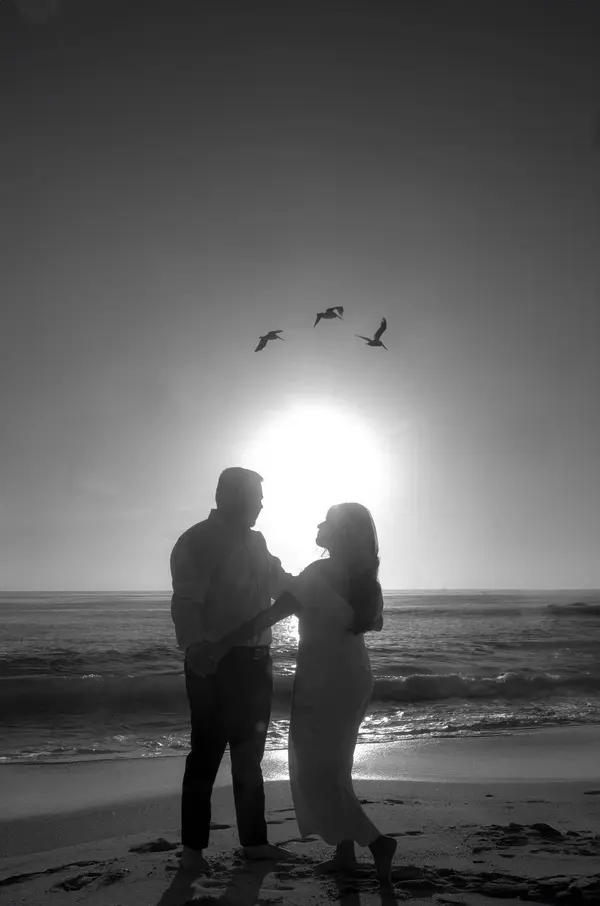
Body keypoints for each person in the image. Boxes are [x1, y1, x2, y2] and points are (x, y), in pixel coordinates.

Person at [191, 503, 398, 887]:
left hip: (323, 681)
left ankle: (376, 842)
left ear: (340, 533)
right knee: (336, 767)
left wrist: (221, 645)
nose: (319, 524)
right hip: (355, 677)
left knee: (315, 772)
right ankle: (345, 855)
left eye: (328, 521)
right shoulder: (366, 579)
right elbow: (375, 622)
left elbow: (271, 613)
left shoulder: (319, 574)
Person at [170, 467, 291, 871]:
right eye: (256, 496)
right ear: (231, 496)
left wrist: (324, 584)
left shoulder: (257, 542)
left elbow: (279, 583)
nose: (262, 504)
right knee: (205, 754)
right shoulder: (198, 540)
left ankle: (255, 842)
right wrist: (195, 647)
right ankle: (192, 851)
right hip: (217, 662)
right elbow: (186, 602)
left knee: (249, 755)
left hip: (257, 663)